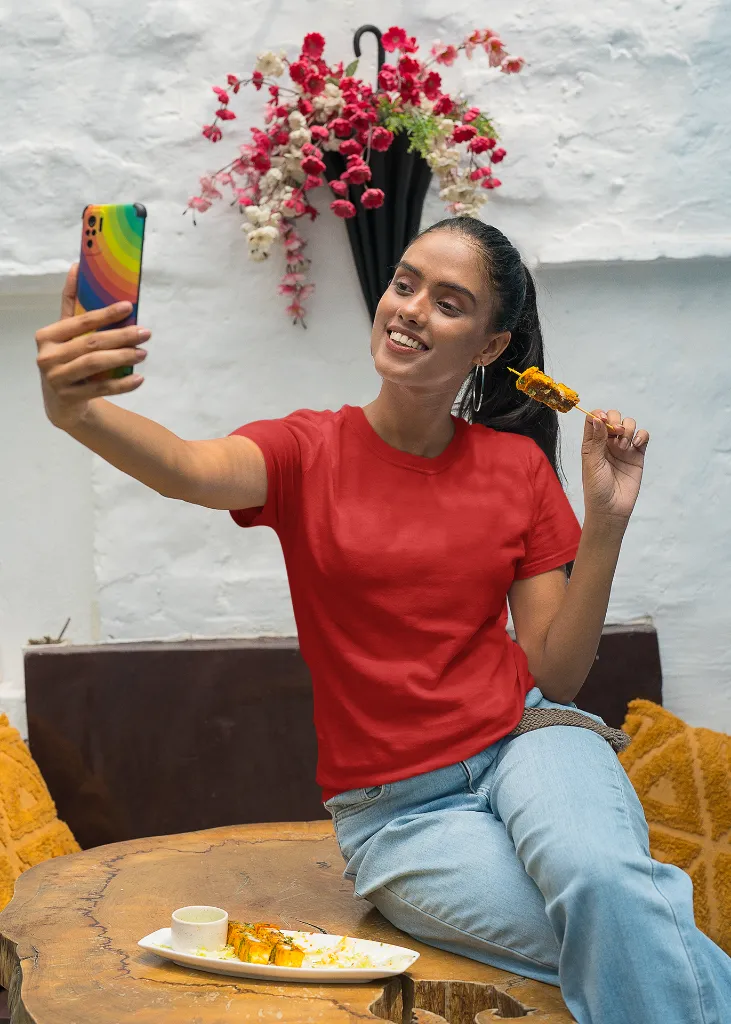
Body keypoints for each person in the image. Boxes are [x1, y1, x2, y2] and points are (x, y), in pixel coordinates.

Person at [35, 218, 730, 1023]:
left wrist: (605, 524)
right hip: (400, 817)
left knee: (608, 888)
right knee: (633, 927)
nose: (409, 309)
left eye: (447, 301)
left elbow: (558, 674)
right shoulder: (304, 451)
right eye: (404, 284)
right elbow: (188, 469)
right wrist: (75, 413)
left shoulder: (517, 469)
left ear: (488, 344)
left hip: (531, 743)